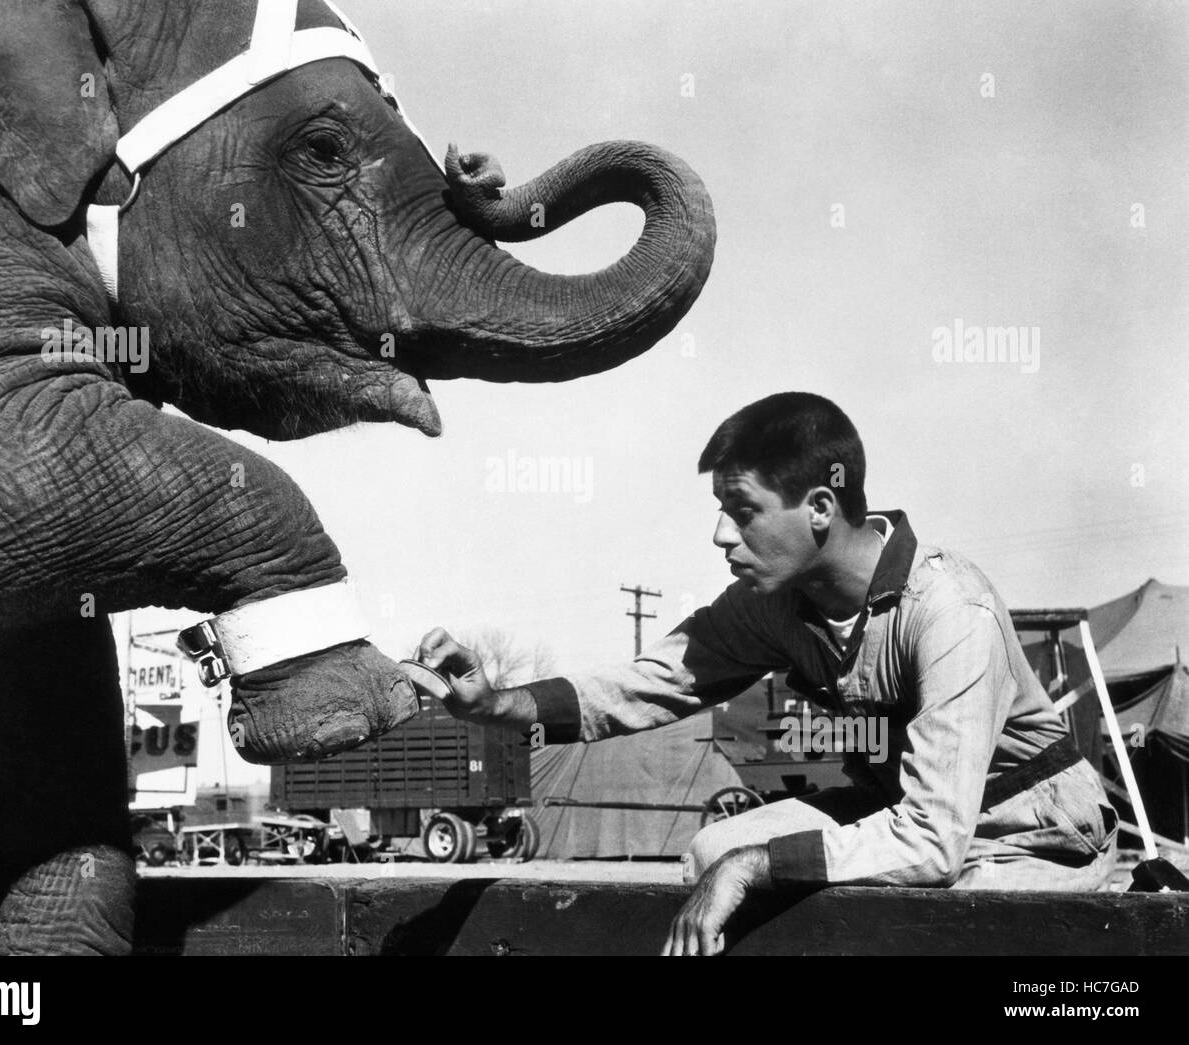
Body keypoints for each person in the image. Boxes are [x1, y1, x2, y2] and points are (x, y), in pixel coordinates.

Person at [417, 392, 1117, 956]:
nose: (722, 534)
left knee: (921, 928)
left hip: (1030, 830)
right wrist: (500, 703)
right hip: (900, 811)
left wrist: (758, 863)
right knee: (712, 849)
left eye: (742, 510)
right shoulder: (774, 605)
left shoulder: (951, 606)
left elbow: (935, 842)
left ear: (818, 507)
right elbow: (643, 686)